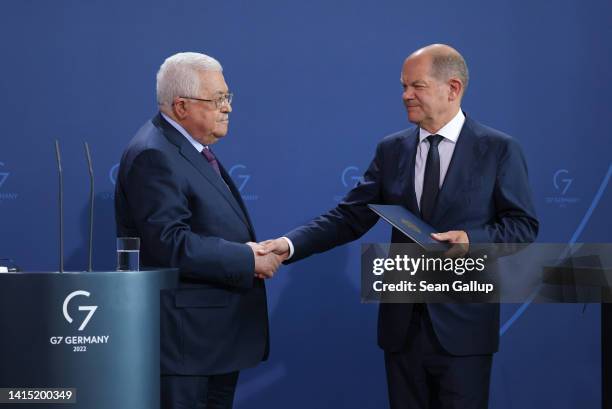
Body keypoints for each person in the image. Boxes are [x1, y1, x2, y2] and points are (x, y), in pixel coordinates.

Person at [261, 44, 539, 409]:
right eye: (403, 86)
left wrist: (472, 240)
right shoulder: (391, 150)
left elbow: (522, 226)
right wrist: (288, 244)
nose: (406, 95)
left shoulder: (499, 149)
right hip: (403, 328)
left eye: (417, 86)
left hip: (464, 329)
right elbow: (349, 217)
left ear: (452, 88)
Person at [114, 52, 283, 409]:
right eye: (218, 99)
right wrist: (246, 258)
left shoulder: (187, 148)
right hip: (186, 345)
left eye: (228, 97)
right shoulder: (154, 154)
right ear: (181, 106)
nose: (228, 108)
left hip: (211, 341)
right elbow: (167, 243)